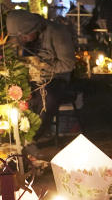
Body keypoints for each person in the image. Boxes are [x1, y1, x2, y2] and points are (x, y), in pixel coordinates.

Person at [5, 8, 76, 138]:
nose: (23, 40)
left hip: (56, 78)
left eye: (24, 36)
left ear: (34, 28)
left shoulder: (57, 32)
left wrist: (43, 66)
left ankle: (33, 136)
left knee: (46, 98)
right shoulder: (24, 37)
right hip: (31, 77)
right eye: (20, 37)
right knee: (15, 93)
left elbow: (69, 64)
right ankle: (15, 134)